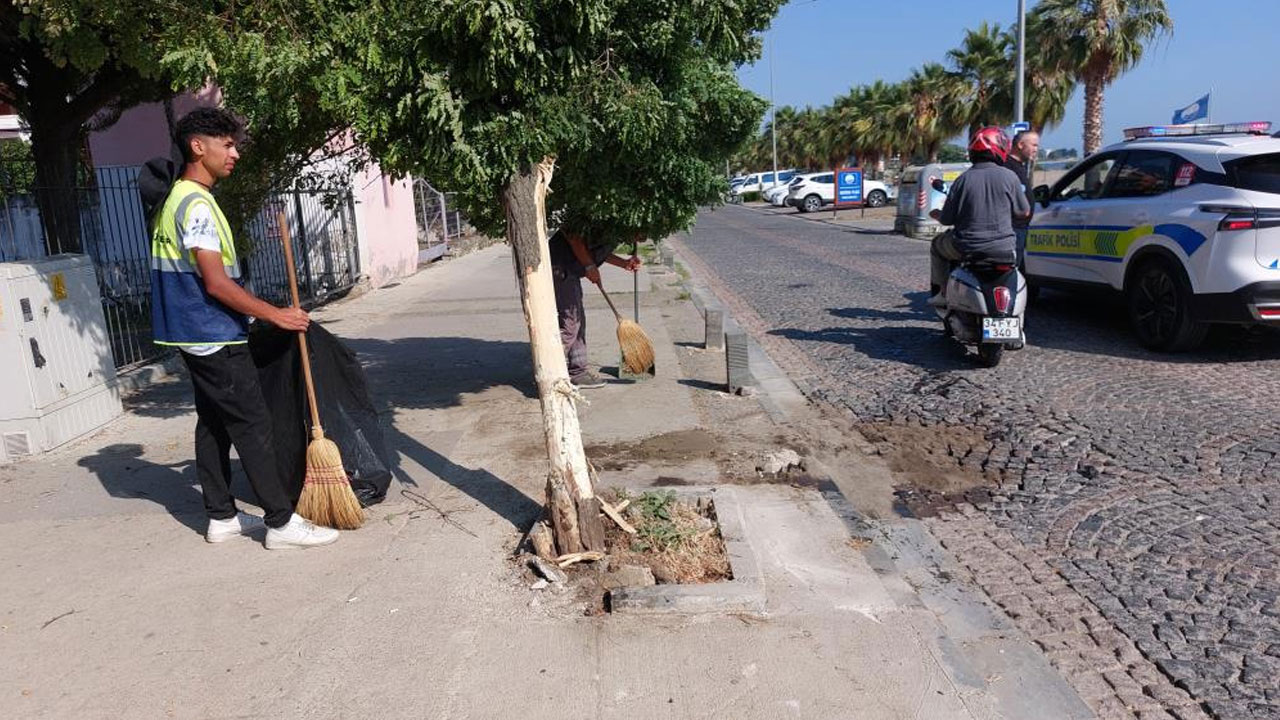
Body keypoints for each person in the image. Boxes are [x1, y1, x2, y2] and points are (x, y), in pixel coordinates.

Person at [149, 107, 339, 549]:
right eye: (227, 144)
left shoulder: (175, 197)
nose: (235, 153)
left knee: (213, 422)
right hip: (212, 330)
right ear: (199, 146)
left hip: (189, 331)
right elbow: (215, 282)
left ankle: (221, 517)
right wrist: (276, 314)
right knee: (253, 424)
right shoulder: (195, 204)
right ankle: (280, 521)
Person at [928, 126, 1031, 304]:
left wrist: (937, 214)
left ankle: (943, 292)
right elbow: (1024, 212)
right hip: (1005, 248)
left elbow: (947, 219)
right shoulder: (1010, 177)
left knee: (937, 246)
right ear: (1000, 149)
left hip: (967, 247)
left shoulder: (963, 180)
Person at [549, 228, 642, 388]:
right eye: (640, 236)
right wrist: (589, 267)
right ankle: (549, 370)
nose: (639, 240)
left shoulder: (613, 232)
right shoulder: (607, 222)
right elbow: (573, 236)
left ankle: (578, 372)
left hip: (569, 268)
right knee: (570, 324)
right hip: (560, 265)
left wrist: (624, 263)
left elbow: (596, 252)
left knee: (578, 321)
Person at [1004, 130, 1040, 266]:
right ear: (1020, 145)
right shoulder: (1007, 166)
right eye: (1034, 145)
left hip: (1020, 229)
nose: (1036, 150)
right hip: (1011, 229)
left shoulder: (1020, 167)